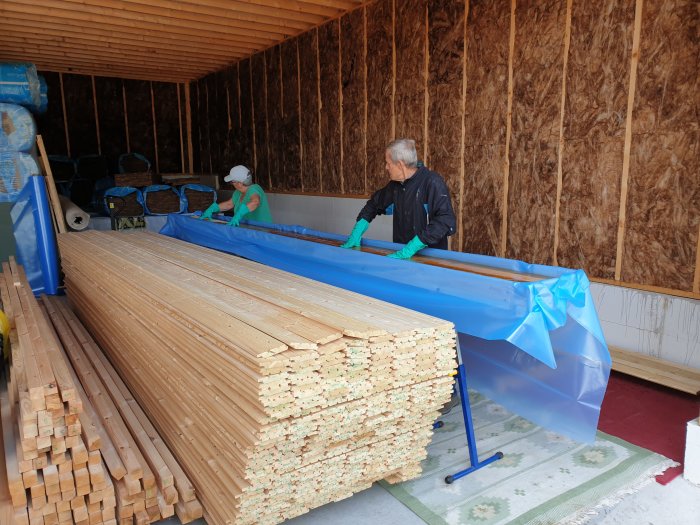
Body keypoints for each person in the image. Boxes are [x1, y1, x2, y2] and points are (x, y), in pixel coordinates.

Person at [340, 138, 456, 259]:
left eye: (388, 163)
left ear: (400, 165)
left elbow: (445, 220)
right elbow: (373, 205)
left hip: (431, 260)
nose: (386, 167)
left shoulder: (432, 182)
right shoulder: (395, 186)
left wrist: (413, 246)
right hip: (401, 256)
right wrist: (357, 231)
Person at [200, 165, 272, 226]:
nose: (232, 184)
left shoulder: (254, 188)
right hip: (247, 229)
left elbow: (255, 202)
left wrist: (239, 213)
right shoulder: (238, 192)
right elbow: (229, 204)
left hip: (262, 231)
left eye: (232, 182)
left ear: (240, 183)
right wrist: (213, 208)